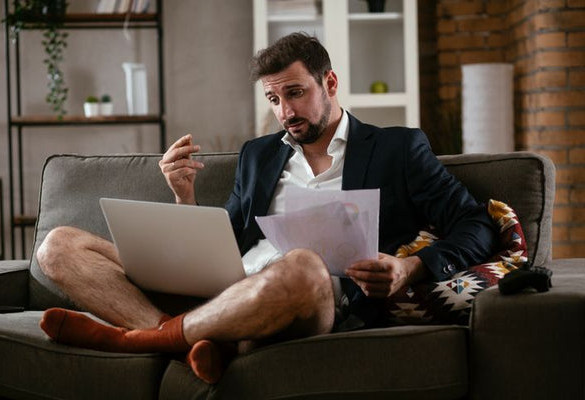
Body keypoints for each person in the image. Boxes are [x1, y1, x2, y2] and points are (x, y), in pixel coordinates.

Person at [37, 32, 496, 384]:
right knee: (58, 246)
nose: (285, 111)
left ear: (329, 82)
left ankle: (141, 339)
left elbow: (476, 225)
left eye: (295, 93)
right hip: (229, 289)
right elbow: (226, 243)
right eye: (274, 99)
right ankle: (188, 339)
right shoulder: (259, 154)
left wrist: (410, 268)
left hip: (313, 298)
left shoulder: (398, 148)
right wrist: (184, 197)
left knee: (302, 264)